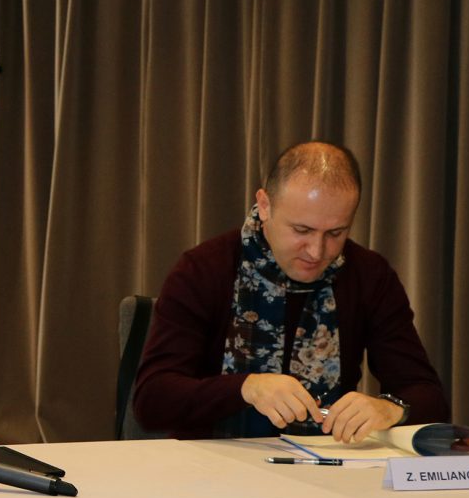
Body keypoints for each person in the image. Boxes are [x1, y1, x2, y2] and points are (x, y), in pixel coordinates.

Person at [133, 141, 448, 442]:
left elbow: (427, 395)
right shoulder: (204, 269)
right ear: (265, 205)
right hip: (210, 465)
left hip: (326, 464)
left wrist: (391, 408)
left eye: (336, 233)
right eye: (302, 230)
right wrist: (246, 388)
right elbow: (152, 400)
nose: (317, 251)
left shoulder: (369, 275)